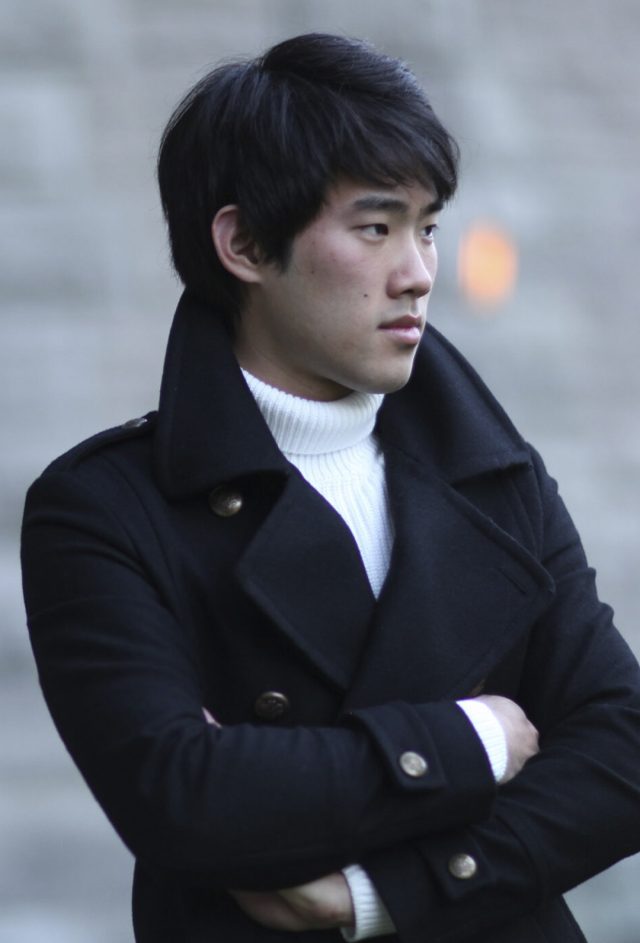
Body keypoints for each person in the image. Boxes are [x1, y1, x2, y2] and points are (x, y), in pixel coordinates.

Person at [21, 32, 640, 943]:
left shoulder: (491, 473)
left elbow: (624, 750)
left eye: (428, 227)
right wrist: (477, 739)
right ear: (243, 244)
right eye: (375, 228)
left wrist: (377, 892)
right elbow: (186, 797)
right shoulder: (105, 510)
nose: (418, 273)